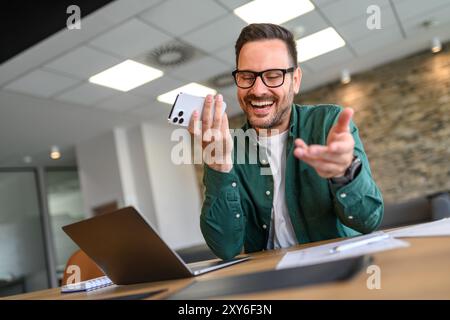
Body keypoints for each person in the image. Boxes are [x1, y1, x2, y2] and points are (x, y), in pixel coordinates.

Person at [188, 23, 383, 260]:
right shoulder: (229, 148)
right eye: (247, 77)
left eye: (273, 76)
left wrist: (345, 173)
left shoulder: (328, 123)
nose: (258, 90)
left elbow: (369, 220)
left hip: (337, 267)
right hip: (269, 279)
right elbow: (225, 248)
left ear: (296, 79)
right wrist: (218, 166)